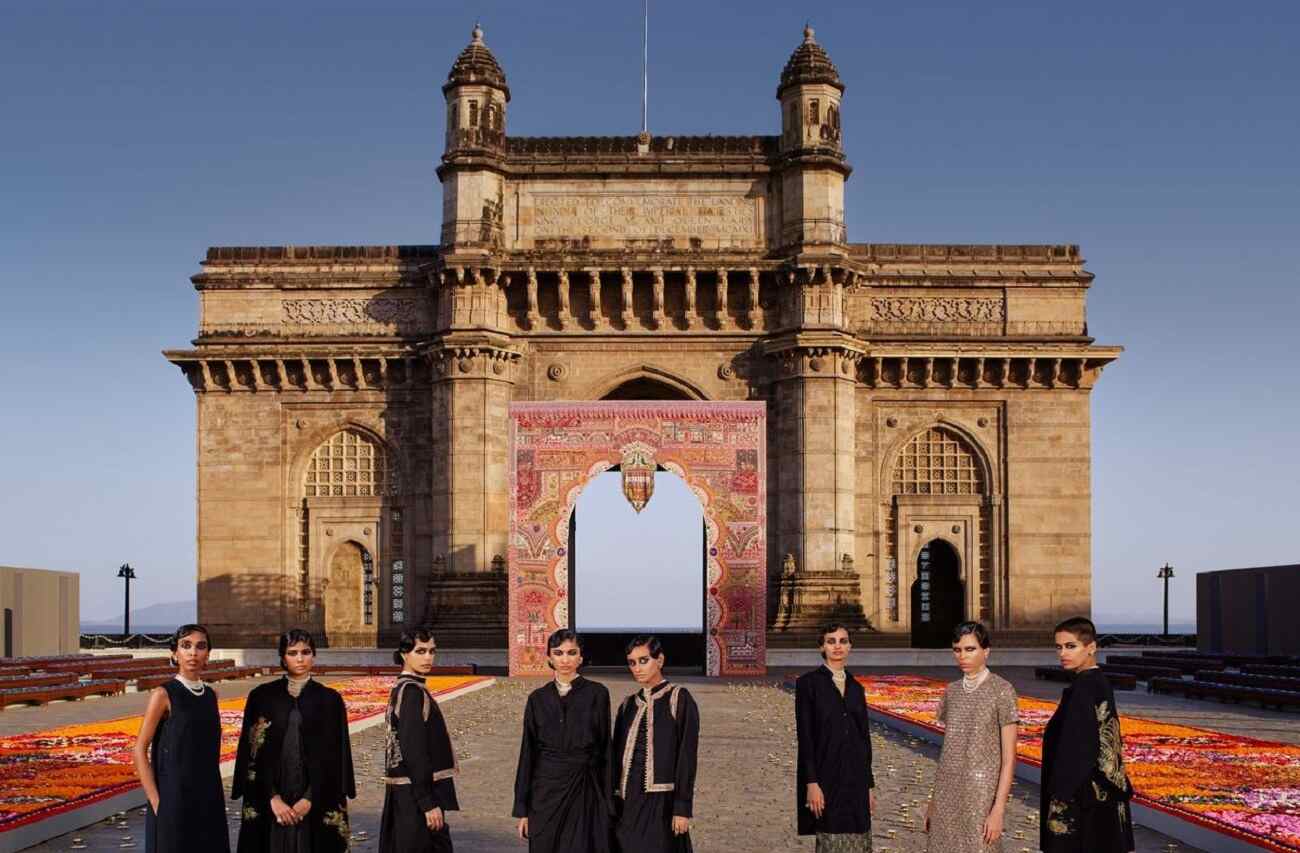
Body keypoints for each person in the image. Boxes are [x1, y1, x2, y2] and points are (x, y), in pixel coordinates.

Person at [232, 629, 356, 853]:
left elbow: (337, 756)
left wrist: (309, 799)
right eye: (292, 652)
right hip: (271, 798)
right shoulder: (262, 697)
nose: (300, 658)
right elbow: (251, 754)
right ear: (282, 657)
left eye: (306, 652)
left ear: (314, 655)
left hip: (316, 796)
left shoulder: (329, 700)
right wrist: (273, 799)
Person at [1039, 617, 1135, 853]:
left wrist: (1060, 795)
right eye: (1058, 647)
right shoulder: (1094, 682)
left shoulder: (1085, 687)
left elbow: (1082, 747)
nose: (1062, 653)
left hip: (1084, 798)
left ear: (1091, 647)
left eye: (1071, 646)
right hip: (1097, 794)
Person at [132, 623, 230, 853]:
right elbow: (139, 749)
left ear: (208, 654)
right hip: (174, 799)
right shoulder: (163, 694)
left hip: (209, 797)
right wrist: (157, 802)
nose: (193, 653)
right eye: (186, 646)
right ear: (174, 653)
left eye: (200, 647)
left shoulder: (211, 695)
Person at [511, 629, 612, 852]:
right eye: (558, 653)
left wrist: (608, 804)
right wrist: (522, 810)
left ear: (581, 657)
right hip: (544, 794)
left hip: (584, 789)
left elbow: (606, 750)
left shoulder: (598, 694)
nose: (565, 659)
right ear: (549, 658)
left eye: (571, 652)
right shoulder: (537, 699)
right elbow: (528, 753)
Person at [924, 621, 1019, 853]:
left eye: (970, 649)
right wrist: (933, 802)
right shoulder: (952, 691)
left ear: (986, 651)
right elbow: (948, 751)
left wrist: (998, 810)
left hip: (981, 793)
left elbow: (1009, 759)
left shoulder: (1002, 691)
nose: (962, 656)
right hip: (947, 791)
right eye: (957, 650)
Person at [610, 635, 699, 853]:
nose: (637, 668)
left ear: (659, 660)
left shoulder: (679, 698)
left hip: (662, 802)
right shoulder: (627, 705)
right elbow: (614, 757)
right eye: (632, 662)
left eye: (643, 660)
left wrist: (682, 808)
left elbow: (687, 756)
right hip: (628, 801)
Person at [795, 622, 875, 852]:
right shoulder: (808, 684)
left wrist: (869, 785)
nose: (837, 647)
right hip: (826, 776)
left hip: (857, 779)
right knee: (829, 837)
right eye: (831, 642)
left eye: (843, 641)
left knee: (860, 838)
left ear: (850, 646)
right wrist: (811, 782)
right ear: (822, 647)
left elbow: (864, 738)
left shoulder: (856, 688)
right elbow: (806, 737)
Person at [378, 628, 460, 853]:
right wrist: (428, 802)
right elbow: (413, 749)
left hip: (407, 791)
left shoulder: (406, 688)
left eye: (432, 651)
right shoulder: (412, 692)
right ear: (405, 654)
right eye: (420, 651)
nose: (427, 657)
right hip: (415, 795)